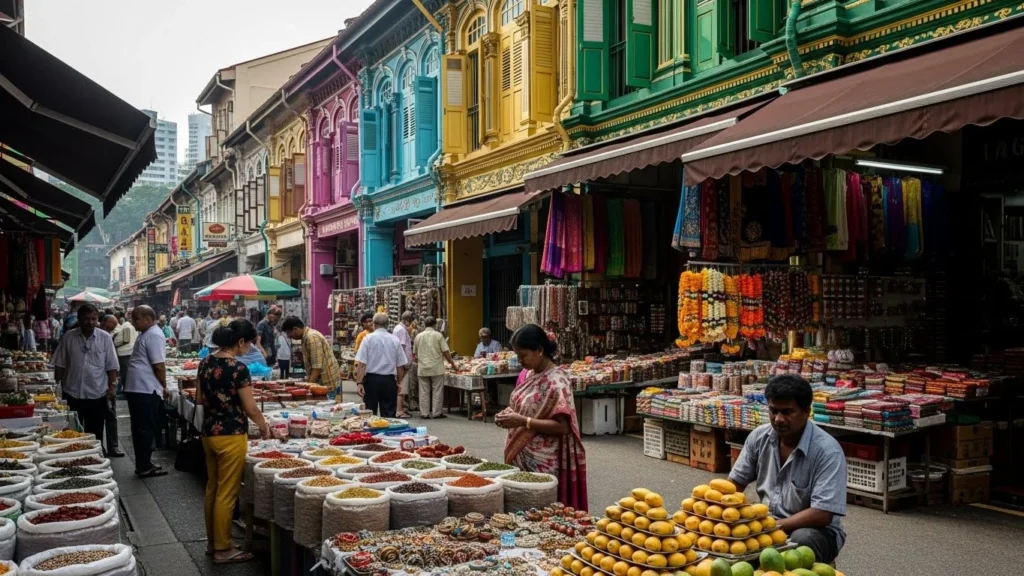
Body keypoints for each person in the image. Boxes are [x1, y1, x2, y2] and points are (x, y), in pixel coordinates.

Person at [728, 374, 846, 564]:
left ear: (806, 411)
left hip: (815, 531)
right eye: (773, 411)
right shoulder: (759, 437)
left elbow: (823, 513)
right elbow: (734, 485)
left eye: (787, 412)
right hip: (767, 524)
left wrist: (769, 526)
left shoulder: (827, 451)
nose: (778, 419)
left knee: (803, 539)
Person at [196, 319, 270, 565]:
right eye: (248, 343)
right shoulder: (238, 368)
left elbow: (198, 399)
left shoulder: (205, 362)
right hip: (231, 434)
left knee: (213, 489)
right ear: (240, 342)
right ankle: (223, 548)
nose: (249, 348)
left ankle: (212, 542)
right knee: (227, 493)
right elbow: (250, 407)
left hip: (209, 432)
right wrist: (263, 425)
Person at [496, 324, 587, 510]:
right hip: (520, 454)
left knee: (539, 509)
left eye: (523, 355)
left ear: (539, 351)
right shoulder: (528, 374)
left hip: (543, 461)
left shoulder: (556, 381)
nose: (519, 360)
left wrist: (523, 421)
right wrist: (508, 414)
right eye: (517, 355)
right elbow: (522, 406)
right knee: (518, 509)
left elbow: (563, 426)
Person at [52, 304, 120, 458]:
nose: (90, 322)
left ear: (98, 319)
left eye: (93, 319)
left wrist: (112, 388)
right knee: (72, 432)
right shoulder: (69, 337)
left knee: (95, 432)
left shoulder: (105, 338)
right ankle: (73, 459)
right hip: (71, 391)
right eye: (86, 319)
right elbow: (60, 364)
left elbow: (111, 366)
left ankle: (94, 460)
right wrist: (57, 387)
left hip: (97, 392)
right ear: (79, 319)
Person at [124, 305, 168, 478]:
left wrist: (163, 385)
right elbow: (158, 365)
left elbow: (159, 365)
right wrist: (164, 386)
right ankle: (144, 465)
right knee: (143, 428)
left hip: (144, 387)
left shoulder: (154, 335)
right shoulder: (150, 334)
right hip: (142, 388)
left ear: (147, 319)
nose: (132, 322)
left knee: (143, 427)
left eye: (135, 318)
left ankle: (145, 463)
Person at [354, 313, 408, 417]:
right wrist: (398, 382)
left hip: (371, 381)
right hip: (389, 381)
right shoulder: (394, 340)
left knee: (369, 413)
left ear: (374, 324)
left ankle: (370, 432)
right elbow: (400, 366)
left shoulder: (368, 339)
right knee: (389, 414)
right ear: (388, 324)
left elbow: (362, 363)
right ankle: (387, 433)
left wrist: (359, 383)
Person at [282, 316, 342, 399]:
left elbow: (317, 367)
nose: (289, 336)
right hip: (322, 381)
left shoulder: (311, 337)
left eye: (289, 333)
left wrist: (308, 386)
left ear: (295, 329)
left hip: (326, 382)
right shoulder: (306, 336)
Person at [413, 316, 457, 419]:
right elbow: (446, 352)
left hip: (423, 368)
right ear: (435, 325)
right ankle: (437, 413)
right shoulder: (438, 336)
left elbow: (414, 354)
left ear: (424, 324)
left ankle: (424, 413)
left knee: (423, 391)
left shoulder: (418, 336)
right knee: (437, 391)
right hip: (436, 368)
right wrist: (452, 364)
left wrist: (420, 361)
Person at [98, 315, 125, 458]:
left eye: (115, 324)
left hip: (107, 383)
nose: (114, 326)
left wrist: (112, 385)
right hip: (95, 384)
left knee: (111, 415)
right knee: (96, 417)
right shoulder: (100, 336)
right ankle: (99, 446)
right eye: (112, 323)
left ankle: (113, 446)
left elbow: (113, 365)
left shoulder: (108, 337)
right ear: (104, 322)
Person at [392, 311, 415, 418]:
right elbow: (401, 347)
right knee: (401, 387)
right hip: (402, 364)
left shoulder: (399, 329)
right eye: (410, 321)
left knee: (401, 386)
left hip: (401, 363)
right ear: (407, 320)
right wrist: (404, 364)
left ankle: (400, 409)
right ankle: (399, 411)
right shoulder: (401, 330)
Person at [112, 309, 137, 395]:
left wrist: (114, 344)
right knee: (125, 373)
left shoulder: (126, 326)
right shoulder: (128, 325)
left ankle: (125, 392)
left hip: (125, 353)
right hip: (128, 352)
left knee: (124, 373)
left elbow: (126, 340)